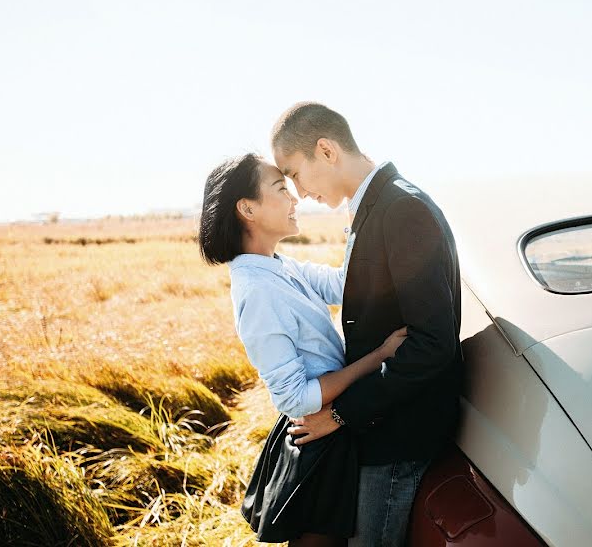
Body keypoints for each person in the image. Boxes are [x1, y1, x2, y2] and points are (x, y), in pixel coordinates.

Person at [271, 102, 463, 547]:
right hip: (378, 423)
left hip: (400, 434)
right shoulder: (375, 208)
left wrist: (339, 414)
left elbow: (433, 343)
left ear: (325, 150)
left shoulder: (402, 210)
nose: (296, 192)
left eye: (294, 173)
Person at [197, 153, 408, 547]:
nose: (295, 198)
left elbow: (347, 283)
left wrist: (362, 220)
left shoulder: (280, 267)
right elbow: (295, 398)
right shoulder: (257, 291)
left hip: (333, 428)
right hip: (317, 440)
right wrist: (376, 358)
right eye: (281, 189)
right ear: (247, 209)